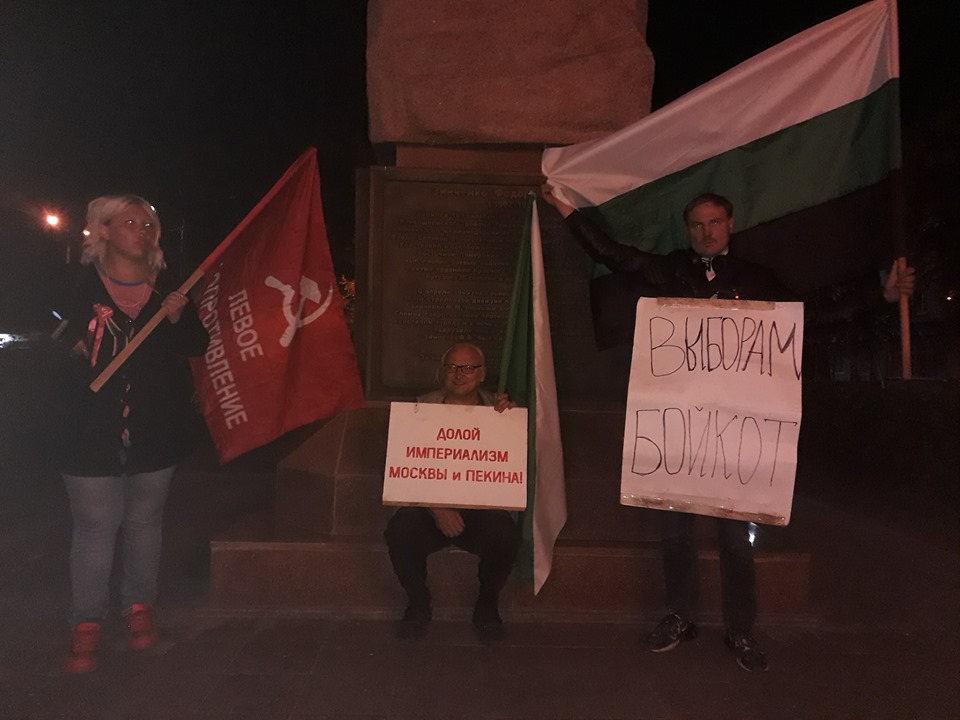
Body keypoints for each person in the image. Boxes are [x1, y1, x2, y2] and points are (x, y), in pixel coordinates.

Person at [542, 186, 786, 671]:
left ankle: (741, 629)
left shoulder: (760, 278)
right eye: (697, 224)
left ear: (730, 224)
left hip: (736, 427)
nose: (706, 232)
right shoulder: (671, 270)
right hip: (677, 423)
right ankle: (680, 616)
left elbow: (803, 321)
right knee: (674, 531)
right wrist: (566, 209)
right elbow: (613, 255)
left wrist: (881, 293)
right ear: (687, 230)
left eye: (714, 222)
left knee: (735, 538)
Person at [54, 195, 209, 673]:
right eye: (130, 222)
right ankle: (87, 621)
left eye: (148, 224)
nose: (142, 231)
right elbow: (54, 346)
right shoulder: (77, 286)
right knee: (96, 525)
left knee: (145, 521)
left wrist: (180, 317)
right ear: (103, 230)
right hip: (88, 432)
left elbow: (196, 344)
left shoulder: (168, 292)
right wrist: (70, 348)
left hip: (155, 429)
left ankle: (139, 607)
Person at [384, 342, 521, 637]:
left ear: (482, 374)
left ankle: (487, 605)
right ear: (442, 372)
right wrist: (438, 509)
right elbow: (406, 469)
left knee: (505, 533)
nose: (459, 374)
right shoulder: (418, 410)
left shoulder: (500, 411)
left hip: (480, 513)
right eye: (452, 367)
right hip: (430, 511)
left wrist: (511, 422)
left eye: (469, 368)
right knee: (400, 529)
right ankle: (418, 604)